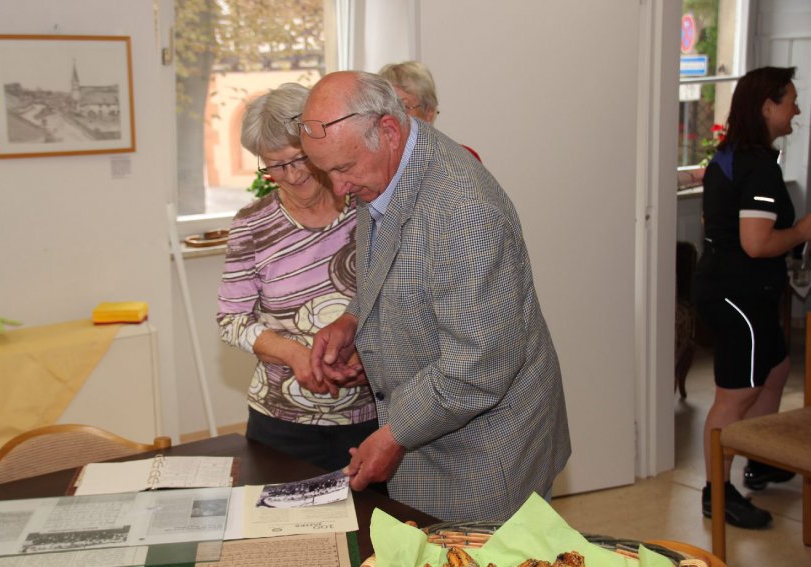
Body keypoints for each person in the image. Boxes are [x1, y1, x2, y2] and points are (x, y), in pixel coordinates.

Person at [296, 71, 570, 522]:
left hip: (486, 453)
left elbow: (479, 365)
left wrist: (393, 436)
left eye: (343, 169)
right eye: (326, 172)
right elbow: (395, 263)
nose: (339, 188)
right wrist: (352, 318)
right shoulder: (384, 165)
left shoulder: (464, 211)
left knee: (476, 551)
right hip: (439, 424)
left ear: (388, 130)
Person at [217, 83, 378, 473]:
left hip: (374, 416)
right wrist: (296, 356)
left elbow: (401, 300)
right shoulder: (252, 225)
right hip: (280, 421)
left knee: (375, 512)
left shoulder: (368, 210)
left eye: (299, 159)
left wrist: (369, 354)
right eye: (275, 165)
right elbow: (232, 321)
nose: (290, 175)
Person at [694, 66, 808, 529]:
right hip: (737, 295)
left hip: (732, 288)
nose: (796, 109)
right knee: (736, 395)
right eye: (790, 101)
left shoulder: (731, 156)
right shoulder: (757, 166)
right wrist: (803, 230)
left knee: (775, 368)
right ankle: (716, 494)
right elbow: (757, 244)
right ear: (766, 107)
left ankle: (761, 459)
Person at [378, 60, 482, 161]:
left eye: (403, 107)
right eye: (385, 108)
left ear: (429, 112)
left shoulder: (460, 160)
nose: (391, 116)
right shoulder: (374, 161)